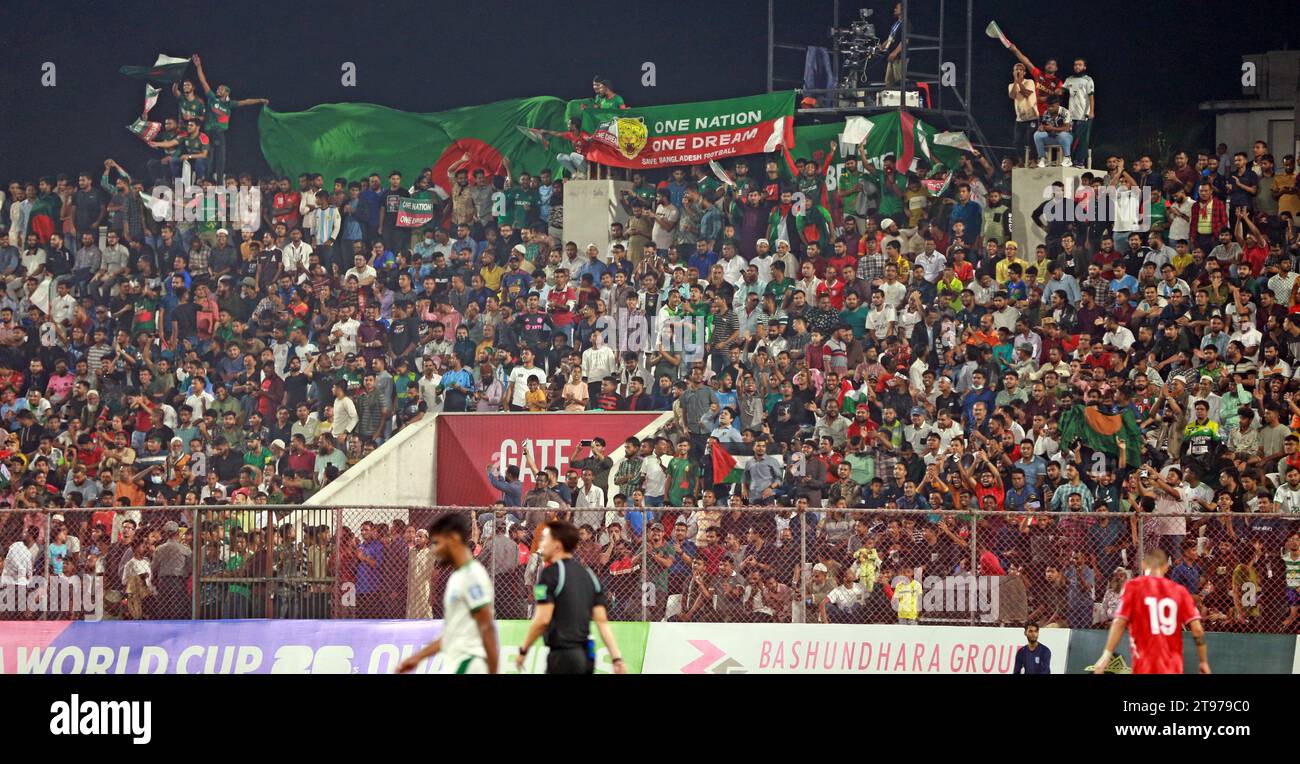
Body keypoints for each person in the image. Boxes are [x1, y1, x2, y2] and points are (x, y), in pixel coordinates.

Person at [515, 520, 626, 674]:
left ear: (557, 545)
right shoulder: (589, 576)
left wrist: (523, 650)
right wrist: (616, 658)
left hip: (563, 654)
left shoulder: (550, 574)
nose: (542, 544)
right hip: (587, 654)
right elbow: (602, 621)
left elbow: (542, 619)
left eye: (545, 539)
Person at [397, 513, 499, 674]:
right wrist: (417, 658)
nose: (436, 549)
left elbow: (486, 626)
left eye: (439, 543)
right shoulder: (457, 576)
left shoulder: (471, 575)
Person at [1093, 548, 1209, 675]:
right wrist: (1203, 661)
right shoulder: (1179, 591)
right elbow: (1197, 629)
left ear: (1143, 564)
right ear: (1166, 567)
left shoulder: (1133, 587)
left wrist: (1106, 654)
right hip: (1172, 666)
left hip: (1145, 664)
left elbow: (1119, 623)